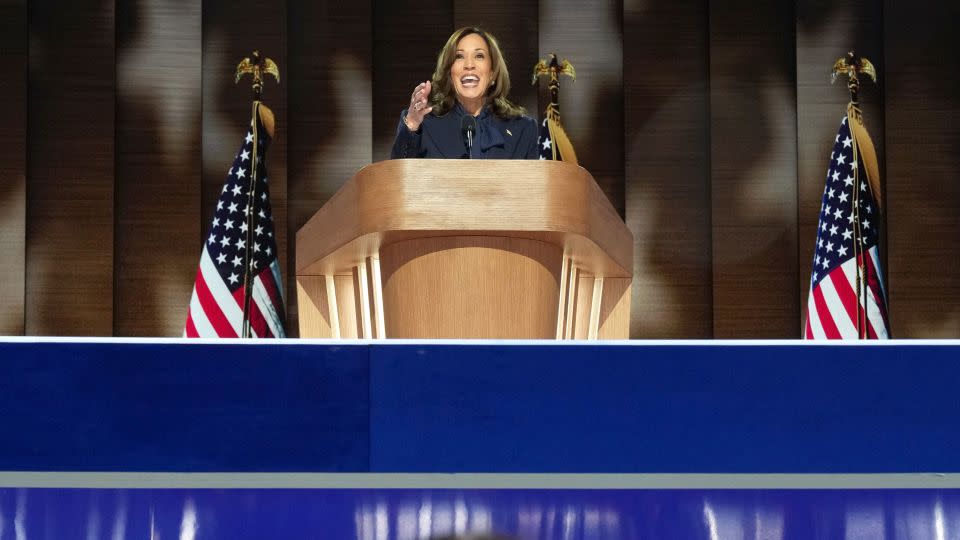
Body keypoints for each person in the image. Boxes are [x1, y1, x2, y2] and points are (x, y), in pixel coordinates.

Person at [391, 27, 540, 160]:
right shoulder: (424, 125)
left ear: (492, 73)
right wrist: (411, 125)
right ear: (450, 72)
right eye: (459, 56)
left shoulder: (523, 128)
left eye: (479, 56)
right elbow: (397, 179)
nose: (469, 65)